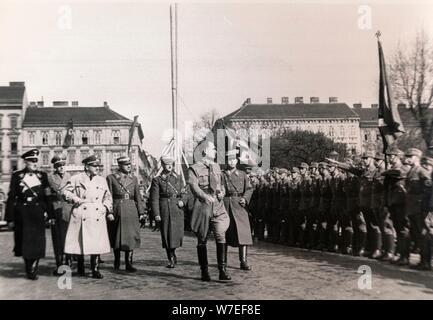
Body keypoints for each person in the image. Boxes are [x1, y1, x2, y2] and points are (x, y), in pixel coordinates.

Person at [63, 155, 113, 279]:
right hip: (81, 212)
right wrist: (75, 199)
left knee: (96, 244)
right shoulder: (76, 178)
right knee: (79, 242)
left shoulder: (101, 180)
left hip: (96, 214)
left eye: (98, 166)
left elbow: (108, 197)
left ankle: (95, 269)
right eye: (94, 165)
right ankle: (80, 267)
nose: (97, 168)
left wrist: (105, 207)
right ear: (86, 166)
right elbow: (65, 192)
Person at [5, 149, 53, 280]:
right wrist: (9, 218)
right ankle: (28, 267)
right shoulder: (17, 176)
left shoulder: (43, 176)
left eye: (36, 160)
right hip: (22, 213)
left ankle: (33, 268)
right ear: (25, 162)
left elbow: (48, 197)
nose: (34, 163)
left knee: (38, 242)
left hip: (38, 212)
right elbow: (11, 197)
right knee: (25, 242)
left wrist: (51, 215)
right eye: (32, 161)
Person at [188, 139, 231, 281]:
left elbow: (222, 184)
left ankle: (222, 270)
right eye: (213, 149)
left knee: (221, 235)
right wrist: (205, 196)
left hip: (218, 205)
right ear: (205, 151)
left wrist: (222, 192)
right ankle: (204, 271)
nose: (215, 151)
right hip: (203, 205)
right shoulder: (194, 168)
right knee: (202, 238)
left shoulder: (217, 167)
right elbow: (194, 187)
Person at [106, 156, 146, 272]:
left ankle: (129, 263)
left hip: (131, 209)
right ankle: (117, 261)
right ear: (119, 166)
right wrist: (110, 211)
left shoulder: (133, 179)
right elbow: (108, 196)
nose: (129, 166)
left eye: (130, 164)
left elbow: (138, 197)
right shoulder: (111, 178)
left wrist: (141, 212)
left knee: (131, 236)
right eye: (126, 164)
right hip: (118, 208)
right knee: (116, 236)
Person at [150, 156, 186, 268]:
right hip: (165, 208)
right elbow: (154, 198)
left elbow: (185, 193)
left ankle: (173, 252)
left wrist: (183, 201)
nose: (169, 166)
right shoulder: (157, 180)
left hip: (176, 208)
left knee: (176, 234)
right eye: (167, 164)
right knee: (166, 234)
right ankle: (170, 257)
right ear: (163, 165)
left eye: (171, 164)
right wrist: (156, 214)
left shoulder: (178, 178)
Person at [222, 150, 254, 270]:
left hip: (239, 205)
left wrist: (245, 199)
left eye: (234, 159)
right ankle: (223, 261)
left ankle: (243, 261)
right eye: (229, 159)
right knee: (223, 232)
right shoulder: (222, 175)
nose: (232, 162)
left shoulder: (242, 174)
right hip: (225, 205)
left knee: (243, 233)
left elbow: (249, 188)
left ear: (237, 161)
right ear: (226, 161)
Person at [47, 154, 73, 275]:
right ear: (55, 167)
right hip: (56, 210)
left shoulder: (70, 177)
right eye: (58, 166)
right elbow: (47, 198)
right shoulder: (50, 178)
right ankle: (59, 264)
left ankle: (69, 263)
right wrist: (50, 215)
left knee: (69, 238)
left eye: (63, 165)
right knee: (58, 239)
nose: (61, 168)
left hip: (69, 211)